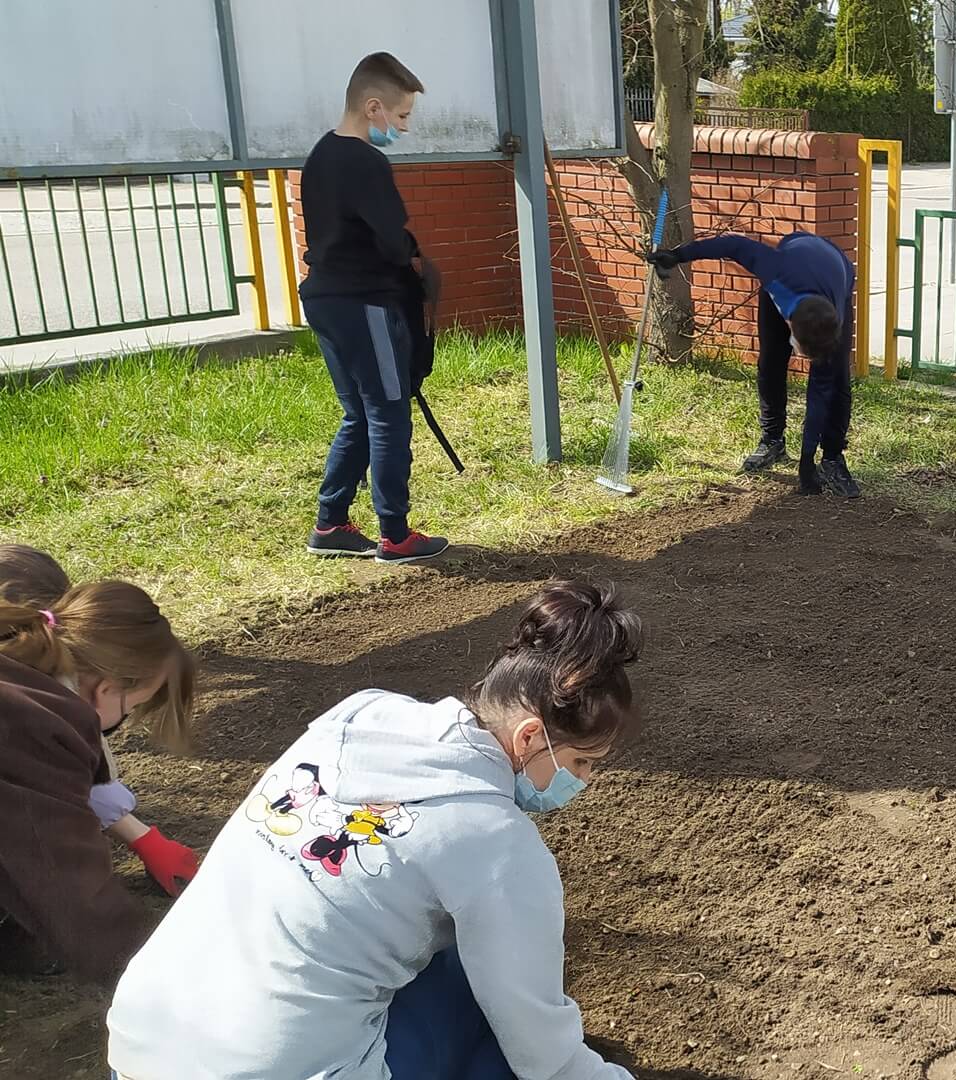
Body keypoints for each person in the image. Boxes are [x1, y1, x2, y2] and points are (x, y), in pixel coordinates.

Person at [108, 581, 643, 1080]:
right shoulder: (499, 842)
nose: (584, 781)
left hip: (140, 1041)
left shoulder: (360, 715)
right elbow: (541, 1050)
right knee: (493, 1017)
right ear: (529, 738)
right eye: (580, 762)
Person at [0, 577, 196, 984]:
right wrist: (158, 970)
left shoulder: (22, 670)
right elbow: (61, 877)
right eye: (133, 706)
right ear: (105, 690)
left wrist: (142, 837)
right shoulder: (32, 724)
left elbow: (73, 781)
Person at [299, 51, 449, 564]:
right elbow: (391, 241)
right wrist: (418, 266)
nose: (403, 127)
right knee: (387, 413)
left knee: (358, 414)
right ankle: (396, 535)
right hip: (365, 303)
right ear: (372, 107)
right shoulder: (365, 161)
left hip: (325, 298)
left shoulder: (319, 156)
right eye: (401, 116)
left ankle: (331, 523)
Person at [648, 229, 859, 498]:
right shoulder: (774, 269)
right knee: (771, 364)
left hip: (834, 269)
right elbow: (734, 245)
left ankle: (832, 458)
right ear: (791, 325)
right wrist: (677, 256)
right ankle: (773, 441)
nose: (802, 358)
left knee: (836, 379)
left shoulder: (833, 321)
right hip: (795, 256)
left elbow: (820, 392)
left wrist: (807, 461)